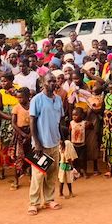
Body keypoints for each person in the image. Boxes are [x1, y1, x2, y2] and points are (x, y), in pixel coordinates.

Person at [28, 73, 64, 215]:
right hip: (41, 144)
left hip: (55, 142)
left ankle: (49, 199)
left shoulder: (59, 100)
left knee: (52, 173)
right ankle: (34, 202)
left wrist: (62, 139)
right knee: (38, 174)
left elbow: (60, 121)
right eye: (50, 81)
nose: (53, 83)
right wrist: (37, 143)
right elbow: (32, 122)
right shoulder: (37, 100)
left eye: (54, 81)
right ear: (43, 83)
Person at [10, 87, 32, 189]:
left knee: (32, 156)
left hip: (31, 132)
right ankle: (16, 179)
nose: (20, 99)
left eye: (22, 97)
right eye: (18, 97)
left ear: (28, 97)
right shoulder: (16, 107)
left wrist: (31, 134)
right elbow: (13, 123)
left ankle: (32, 177)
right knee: (18, 157)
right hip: (20, 133)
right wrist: (23, 134)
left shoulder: (32, 106)